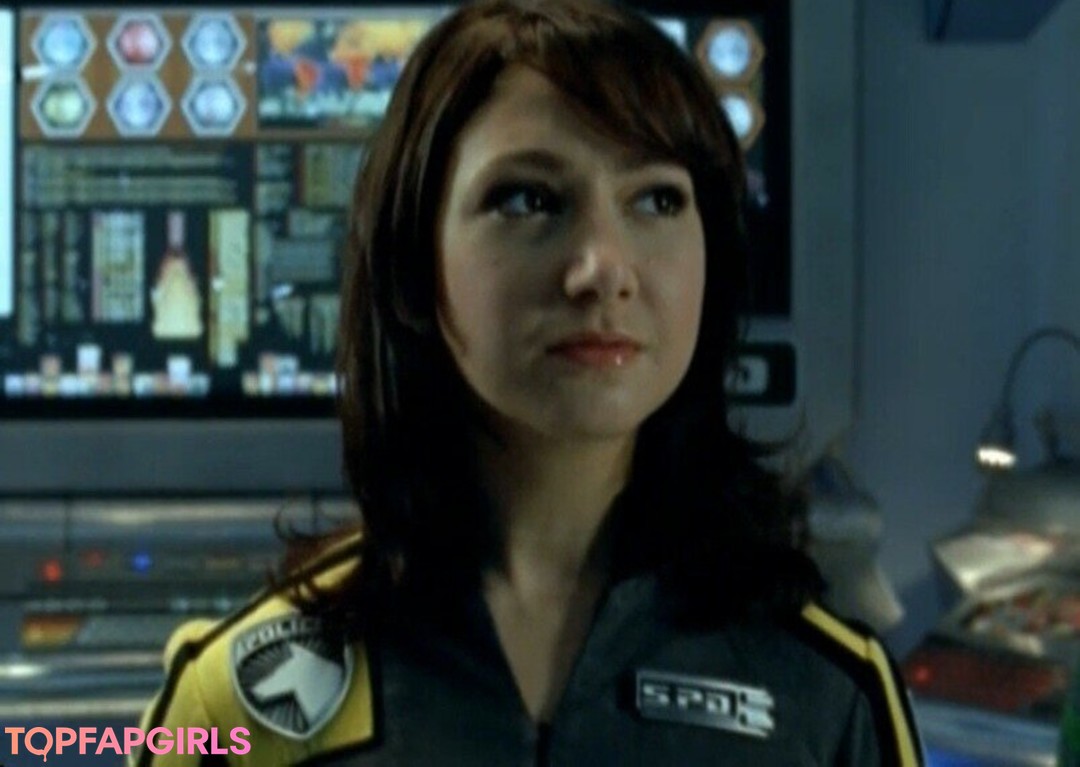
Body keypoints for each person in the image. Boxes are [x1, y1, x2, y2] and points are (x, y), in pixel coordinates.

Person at [134, 0, 925, 764]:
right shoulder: (242, 697)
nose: (603, 269)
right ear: (413, 261)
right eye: (528, 199)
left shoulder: (826, 695)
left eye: (657, 199)